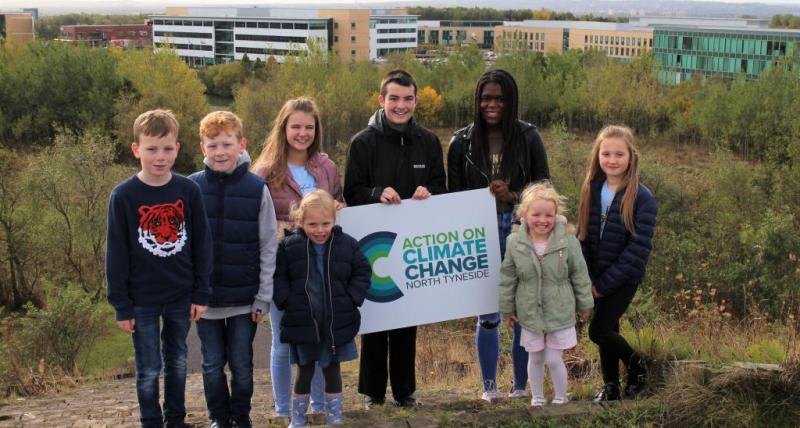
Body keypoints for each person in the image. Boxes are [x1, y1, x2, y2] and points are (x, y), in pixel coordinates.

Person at [344, 69, 447, 409]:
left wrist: (427, 192)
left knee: (406, 319)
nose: (401, 105)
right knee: (376, 319)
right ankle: (373, 393)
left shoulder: (429, 142)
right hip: (374, 244)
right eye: (394, 98)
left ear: (416, 101)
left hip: (412, 244)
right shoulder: (362, 143)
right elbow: (351, 192)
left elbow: (442, 188)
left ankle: (405, 391)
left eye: (407, 99)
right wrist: (376, 193)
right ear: (381, 100)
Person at [447, 68, 550, 400]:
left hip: (519, 231)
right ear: (477, 100)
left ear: (511, 101)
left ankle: (520, 387)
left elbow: (545, 190)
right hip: (479, 233)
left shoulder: (529, 138)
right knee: (488, 313)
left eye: (499, 98)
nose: (492, 104)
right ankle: (488, 389)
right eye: (486, 98)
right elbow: (453, 198)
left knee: (522, 311)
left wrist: (514, 195)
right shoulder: (460, 142)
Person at [105, 109, 212, 428]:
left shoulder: (188, 191)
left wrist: (201, 291)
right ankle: (151, 421)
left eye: (167, 148)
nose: (160, 156)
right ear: (136, 149)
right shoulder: (123, 196)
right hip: (142, 300)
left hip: (181, 295)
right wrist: (121, 305)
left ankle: (176, 420)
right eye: (151, 149)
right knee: (149, 366)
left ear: (177, 149)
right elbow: (116, 253)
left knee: (178, 362)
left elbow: (202, 244)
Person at [252, 97, 341, 416]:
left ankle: (317, 407)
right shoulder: (265, 172)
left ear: (316, 130)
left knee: (317, 339)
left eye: (309, 127)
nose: (302, 133)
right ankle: (283, 409)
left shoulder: (327, 167)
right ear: (283, 128)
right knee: (284, 341)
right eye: (296, 126)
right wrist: (293, 225)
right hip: (284, 269)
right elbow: (256, 221)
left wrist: (337, 210)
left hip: (322, 267)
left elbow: (337, 205)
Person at [188, 111, 277, 428]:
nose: (220, 151)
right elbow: (184, 247)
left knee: (241, 364)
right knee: (211, 365)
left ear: (242, 145)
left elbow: (268, 243)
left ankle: (241, 417)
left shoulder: (257, 189)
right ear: (203, 147)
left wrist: (263, 296)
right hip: (206, 301)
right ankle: (218, 419)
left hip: (245, 300)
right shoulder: (191, 188)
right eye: (213, 145)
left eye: (227, 144)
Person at [273, 190, 372, 427]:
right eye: (312, 224)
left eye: (325, 223)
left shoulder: (347, 244)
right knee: (304, 371)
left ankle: (334, 416)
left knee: (332, 371)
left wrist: (351, 298)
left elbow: (363, 271)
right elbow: (278, 277)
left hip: (335, 321)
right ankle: (298, 418)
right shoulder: (288, 246)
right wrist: (285, 301)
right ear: (301, 221)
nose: (319, 230)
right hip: (303, 321)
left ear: (334, 221)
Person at [577, 125, 657, 402]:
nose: (612, 159)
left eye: (619, 154)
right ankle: (611, 387)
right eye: (606, 153)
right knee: (609, 329)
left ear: (631, 156)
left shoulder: (642, 198)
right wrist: (586, 278)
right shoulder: (592, 188)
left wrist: (602, 286)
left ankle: (638, 366)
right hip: (596, 274)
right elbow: (583, 236)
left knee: (598, 330)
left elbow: (637, 250)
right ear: (598, 155)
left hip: (624, 277)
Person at [499, 182, 593, 407]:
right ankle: (537, 397)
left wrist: (585, 303)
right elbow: (508, 278)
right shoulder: (514, 243)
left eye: (549, 215)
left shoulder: (568, 242)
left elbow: (579, 273)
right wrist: (507, 310)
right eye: (536, 214)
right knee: (536, 357)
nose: (543, 220)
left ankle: (561, 397)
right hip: (529, 311)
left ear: (556, 215)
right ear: (524, 214)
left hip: (559, 309)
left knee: (553, 358)